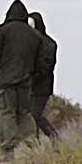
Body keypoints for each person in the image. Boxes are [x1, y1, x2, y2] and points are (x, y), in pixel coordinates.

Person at [0, 0, 45, 153]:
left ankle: (9, 149)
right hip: (26, 81)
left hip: (6, 81)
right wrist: (33, 76)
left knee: (7, 113)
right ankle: (32, 147)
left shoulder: (3, 31)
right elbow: (40, 60)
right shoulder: (35, 36)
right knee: (25, 113)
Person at [26, 9, 58, 140]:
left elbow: (47, 66)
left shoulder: (49, 44)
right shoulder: (30, 43)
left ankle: (54, 137)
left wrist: (33, 77)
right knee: (29, 116)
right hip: (30, 84)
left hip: (42, 86)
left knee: (35, 115)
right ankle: (34, 143)